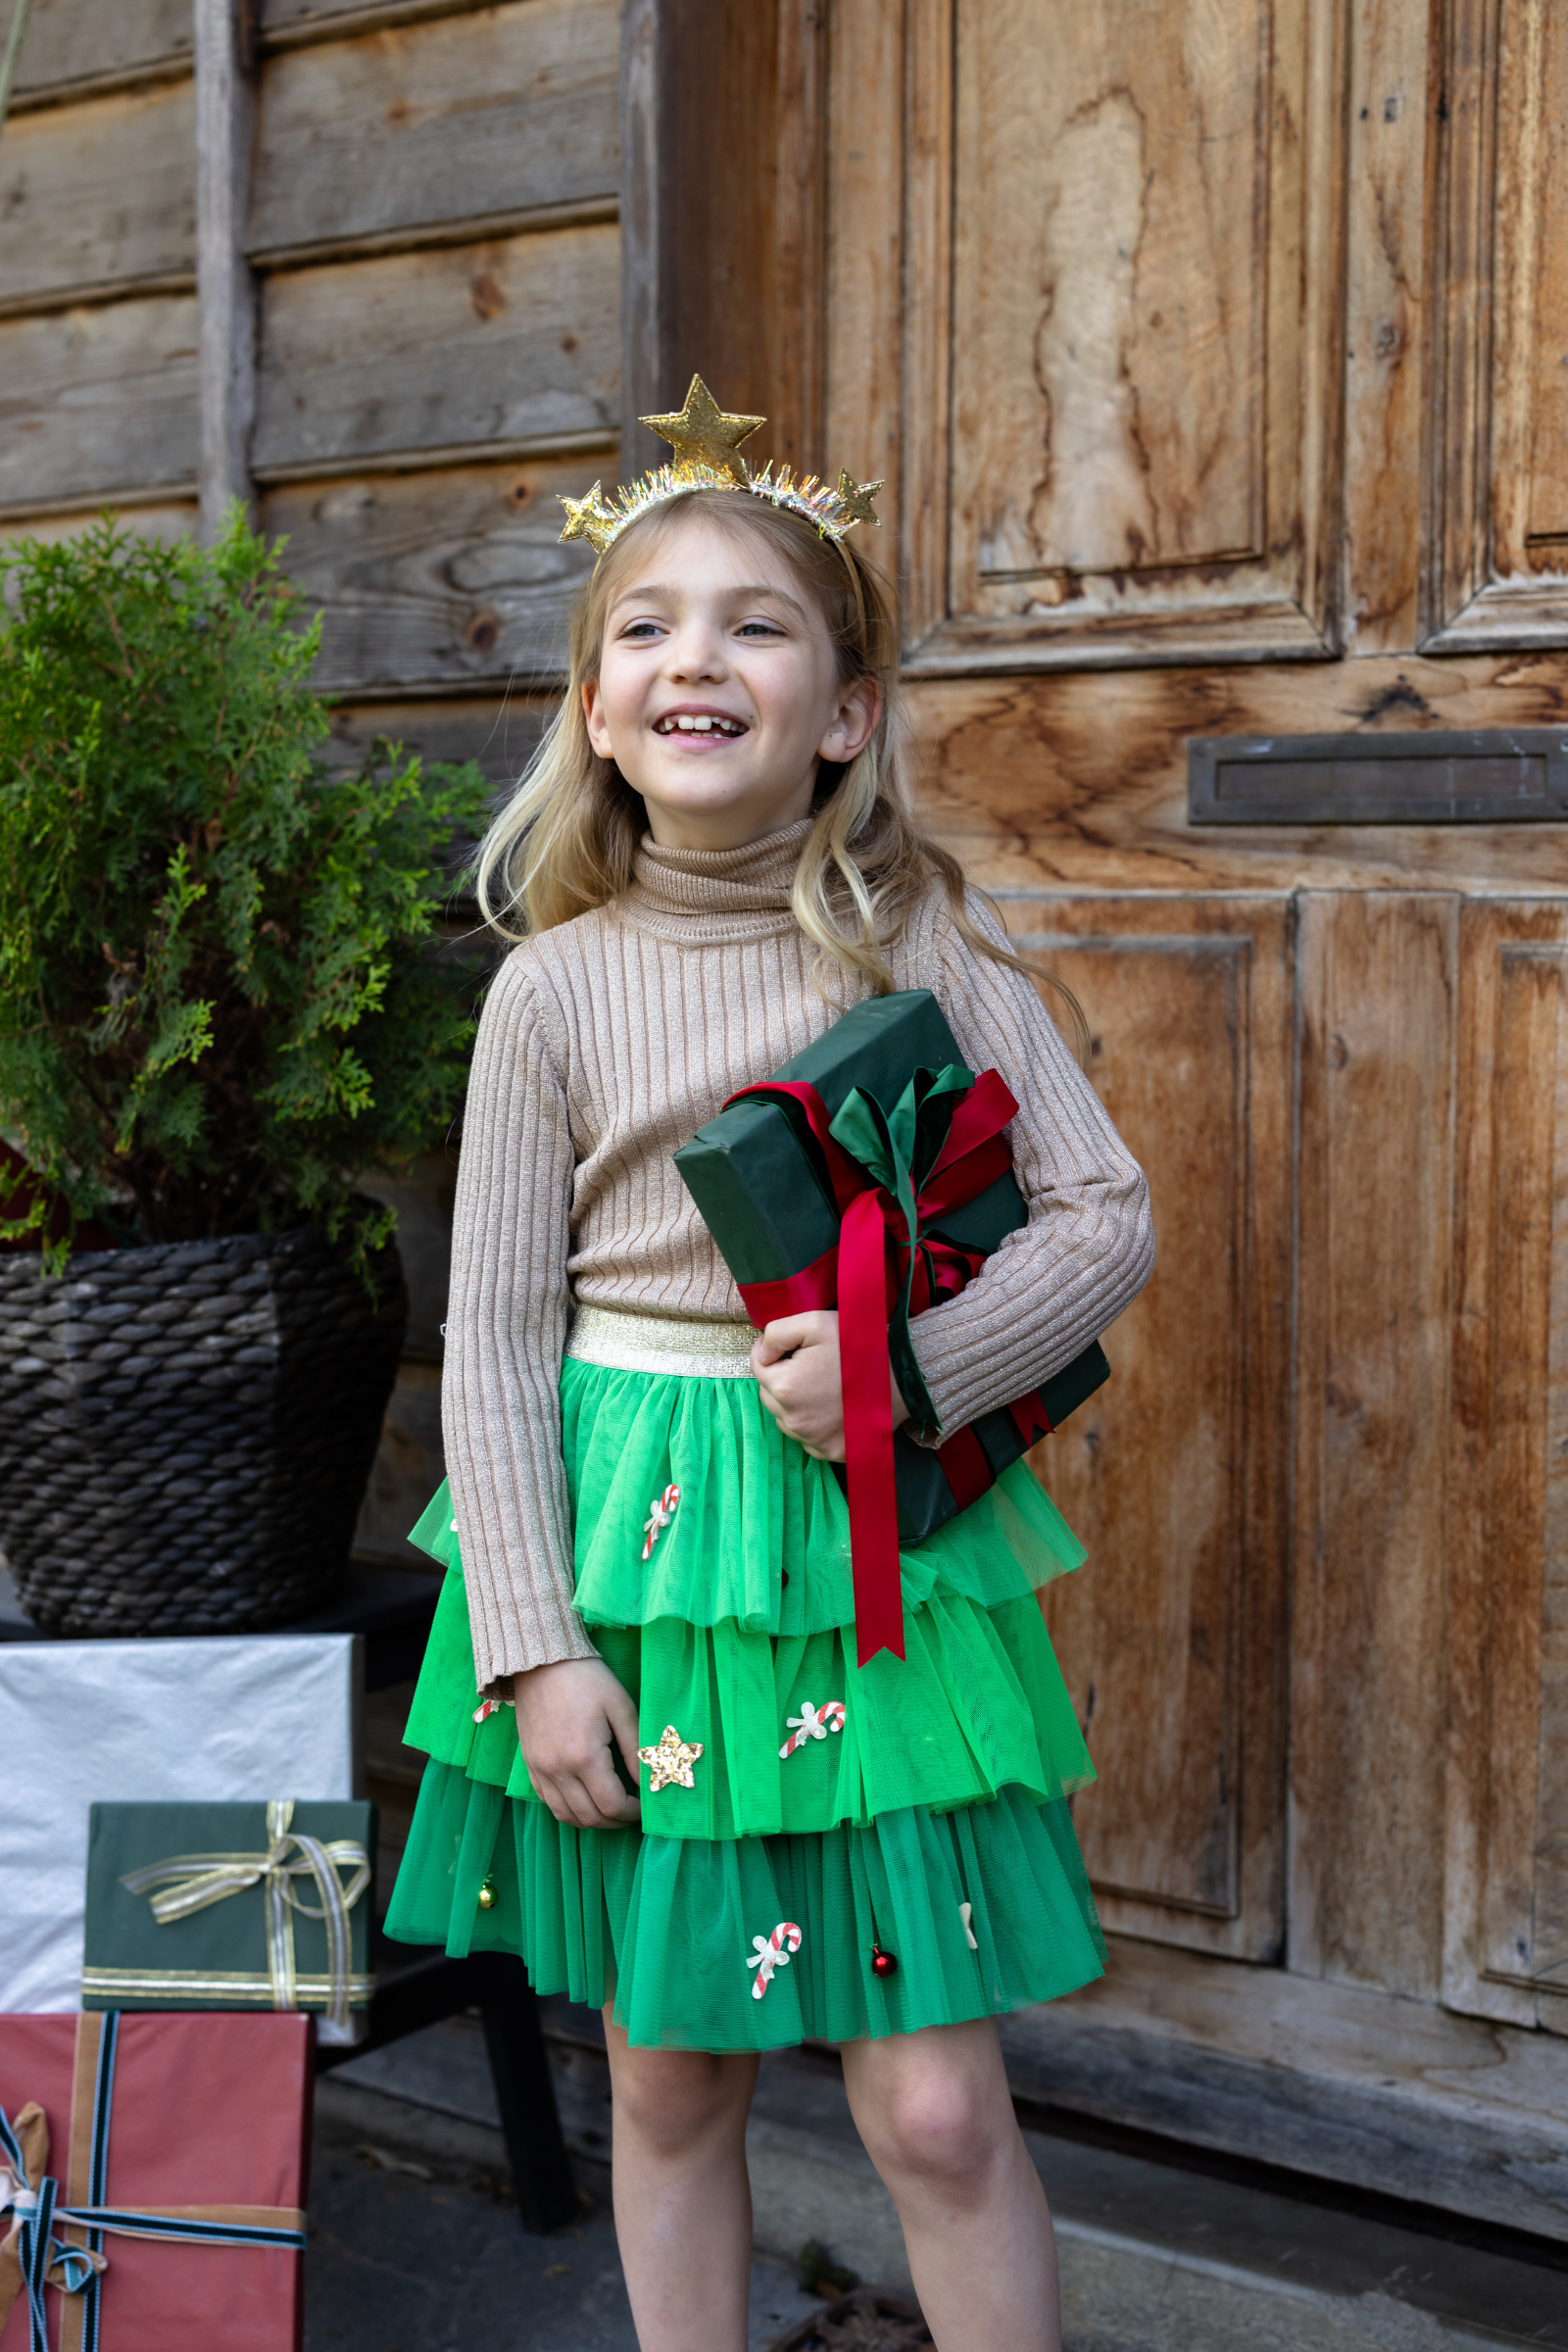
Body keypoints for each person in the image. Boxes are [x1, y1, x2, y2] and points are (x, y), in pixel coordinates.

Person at [384, 381, 1155, 2352]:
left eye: (752, 620)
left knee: (930, 2103)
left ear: (842, 714)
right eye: (644, 623)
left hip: (857, 1566)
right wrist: (531, 1639)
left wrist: (912, 1374)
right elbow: (489, 1333)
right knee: (664, 2075)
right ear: (594, 708)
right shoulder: (548, 991)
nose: (690, 656)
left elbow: (1101, 1218)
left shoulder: (911, 937)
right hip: (634, 1573)